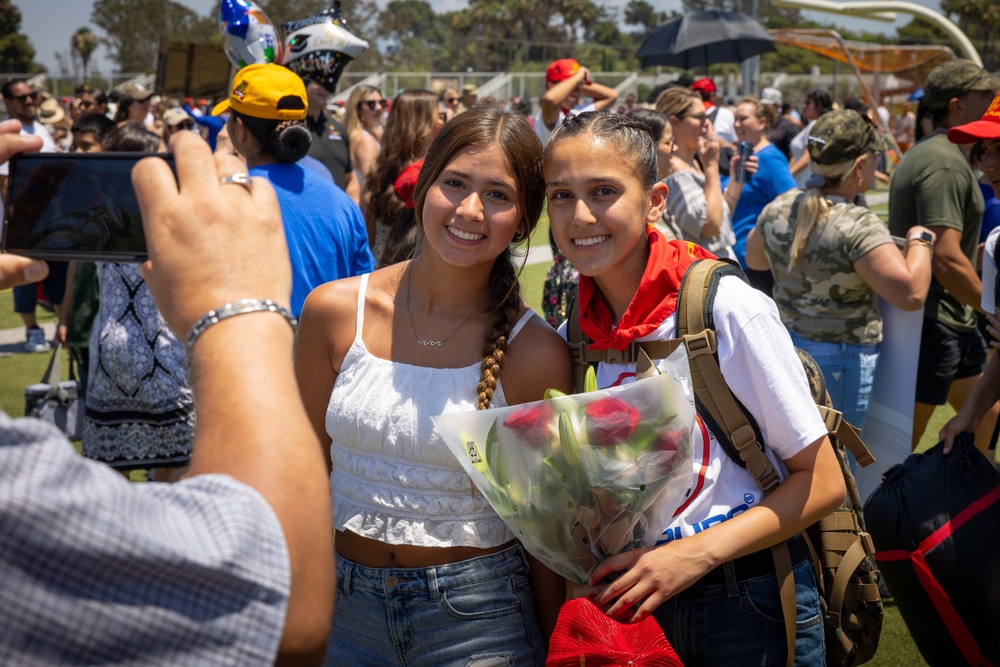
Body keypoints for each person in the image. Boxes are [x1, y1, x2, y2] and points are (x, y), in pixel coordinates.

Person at [0, 121, 334, 666]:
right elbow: (274, 598)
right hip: (157, 354)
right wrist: (243, 308)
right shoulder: (17, 489)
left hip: (118, 353)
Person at [542, 111, 844, 665]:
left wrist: (692, 556)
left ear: (656, 201)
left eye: (604, 191)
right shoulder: (573, 333)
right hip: (631, 598)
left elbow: (822, 483)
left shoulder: (726, 308)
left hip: (744, 594)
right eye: (561, 195)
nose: (580, 215)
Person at [294, 104, 571, 665]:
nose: (470, 209)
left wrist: (553, 650)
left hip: (482, 622)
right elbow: (302, 476)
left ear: (522, 219)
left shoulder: (534, 351)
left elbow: (545, 540)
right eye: (455, 183)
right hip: (345, 613)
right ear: (422, 186)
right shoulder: (332, 312)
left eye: (498, 194)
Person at [746, 110, 935, 435]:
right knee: (837, 465)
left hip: (786, 350)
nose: (878, 164)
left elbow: (756, 261)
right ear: (860, 166)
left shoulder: (780, 206)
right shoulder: (857, 224)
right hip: (839, 362)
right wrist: (922, 240)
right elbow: (911, 294)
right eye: (876, 156)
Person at [888, 59, 1000, 453]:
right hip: (937, 324)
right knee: (899, 445)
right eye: (984, 94)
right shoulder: (945, 162)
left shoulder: (936, 153)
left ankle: (981, 495)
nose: (991, 100)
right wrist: (991, 312)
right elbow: (947, 258)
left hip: (952, 319)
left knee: (988, 416)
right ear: (957, 105)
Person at [72, 122, 193, 480]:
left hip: (110, 345)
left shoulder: (98, 217)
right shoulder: (168, 216)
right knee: (174, 463)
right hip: (161, 347)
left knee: (112, 472)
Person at [214, 63, 374, 319]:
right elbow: (365, 292)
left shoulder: (225, 197)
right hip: (332, 353)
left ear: (240, 130)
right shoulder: (342, 202)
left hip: (259, 352)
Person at [940, 91, 1000, 461]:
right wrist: (971, 413)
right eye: (983, 152)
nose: (987, 166)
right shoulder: (996, 245)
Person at [1, 78, 65, 353]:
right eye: (21, 97)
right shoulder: (5, 134)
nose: (29, 101)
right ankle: (32, 331)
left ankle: (62, 327)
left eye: (32, 95)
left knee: (57, 274)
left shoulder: (42, 130)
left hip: (53, 220)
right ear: (7, 102)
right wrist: (18, 223)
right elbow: (6, 184)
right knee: (24, 278)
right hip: (25, 224)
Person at [658, 87, 746, 259]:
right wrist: (711, 167)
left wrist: (736, 181)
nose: (707, 123)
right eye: (700, 117)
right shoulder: (674, 171)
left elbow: (721, 218)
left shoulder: (693, 162)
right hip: (707, 269)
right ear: (675, 121)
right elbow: (709, 226)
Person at [363, 89, 443, 266]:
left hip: (382, 265)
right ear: (420, 122)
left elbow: (371, 234)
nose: (442, 122)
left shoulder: (381, 165)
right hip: (408, 270)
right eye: (439, 115)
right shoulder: (422, 173)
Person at [726, 95, 797, 283]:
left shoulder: (770, 158)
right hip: (736, 258)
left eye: (743, 119)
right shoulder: (744, 155)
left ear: (762, 122)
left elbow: (792, 202)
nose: (737, 125)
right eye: (735, 119)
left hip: (755, 263)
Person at [304, 78, 361, 204]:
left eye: (330, 82)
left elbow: (350, 178)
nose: (326, 87)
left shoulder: (338, 128)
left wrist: (352, 211)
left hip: (336, 216)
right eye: (318, 82)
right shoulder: (292, 129)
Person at [534, 58, 618, 144]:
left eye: (578, 86)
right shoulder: (547, 113)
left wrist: (580, 81)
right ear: (550, 86)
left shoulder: (579, 111)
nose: (576, 91)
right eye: (570, 84)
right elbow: (550, 99)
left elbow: (612, 96)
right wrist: (578, 77)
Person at [789, 89, 834, 188]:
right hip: (803, 183)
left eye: (808, 103)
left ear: (820, 106)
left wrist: (787, 176)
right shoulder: (813, 125)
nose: (804, 106)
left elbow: (808, 156)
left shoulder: (816, 125)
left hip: (809, 185)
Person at [343, 85, 384, 193]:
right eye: (371, 104)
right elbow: (371, 182)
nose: (379, 108)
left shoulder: (365, 134)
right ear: (358, 109)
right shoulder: (365, 139)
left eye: (382, 103)